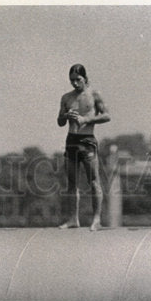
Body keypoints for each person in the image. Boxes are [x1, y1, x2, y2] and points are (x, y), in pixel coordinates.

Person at [56, 64, 110, 232]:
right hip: (71, 140)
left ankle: (96, 219)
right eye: (72, 80)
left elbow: (107, 115)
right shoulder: (66, 98)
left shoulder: (94, 94)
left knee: (93, 181)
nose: (75, 84)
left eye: (78, 80)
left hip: (87, 140)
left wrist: (87, 119)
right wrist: (66, 115)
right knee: (71, 183)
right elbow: (59, 121)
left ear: (85, 78)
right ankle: (73, 219)